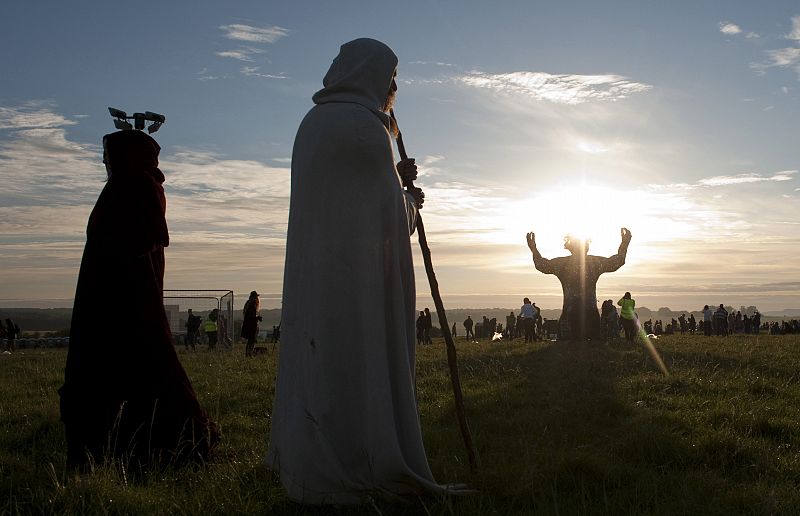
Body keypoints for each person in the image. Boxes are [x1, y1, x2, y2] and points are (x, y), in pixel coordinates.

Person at [267, 38, 456, 504]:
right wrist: (410, 198)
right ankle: (361, 460)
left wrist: (392, 169)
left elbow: (355, 202)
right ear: (373, 74)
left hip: (320, 281)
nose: (394, 88)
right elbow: (388, 221)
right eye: (392, 78)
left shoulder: (315, 124)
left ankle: (311, 461)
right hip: (359, 288)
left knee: (325, 367)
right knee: (358, 366)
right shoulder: (362, 129)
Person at [59, 129, 218, 469]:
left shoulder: (136, 188)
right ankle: (101, 451)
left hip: (125, 301)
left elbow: (134, 245)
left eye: (109, 155)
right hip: (116, 299)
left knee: (140, 376)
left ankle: (152, 450)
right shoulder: (130, 187)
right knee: (108, 378)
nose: (104, 161)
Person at [527, 228, 632, 340]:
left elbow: (541, 265)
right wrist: (624, 244)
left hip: (569, 318)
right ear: (586, 246)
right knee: (593, 348)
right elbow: (617, 261)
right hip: (591, 318)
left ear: (570, 247)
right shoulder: (594, 263)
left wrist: (533, 249)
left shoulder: (562, 264)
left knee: (568, 347)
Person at [241, 291, 262, 357]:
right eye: (256, 297)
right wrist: (257, 318)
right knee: (251, 341)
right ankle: (249, 354)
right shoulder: (252, 305)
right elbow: (251, 317)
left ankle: (249, 354)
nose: (257, 298)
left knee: (251, 341)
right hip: (251, 326)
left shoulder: (249, 304)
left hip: (248, 325)